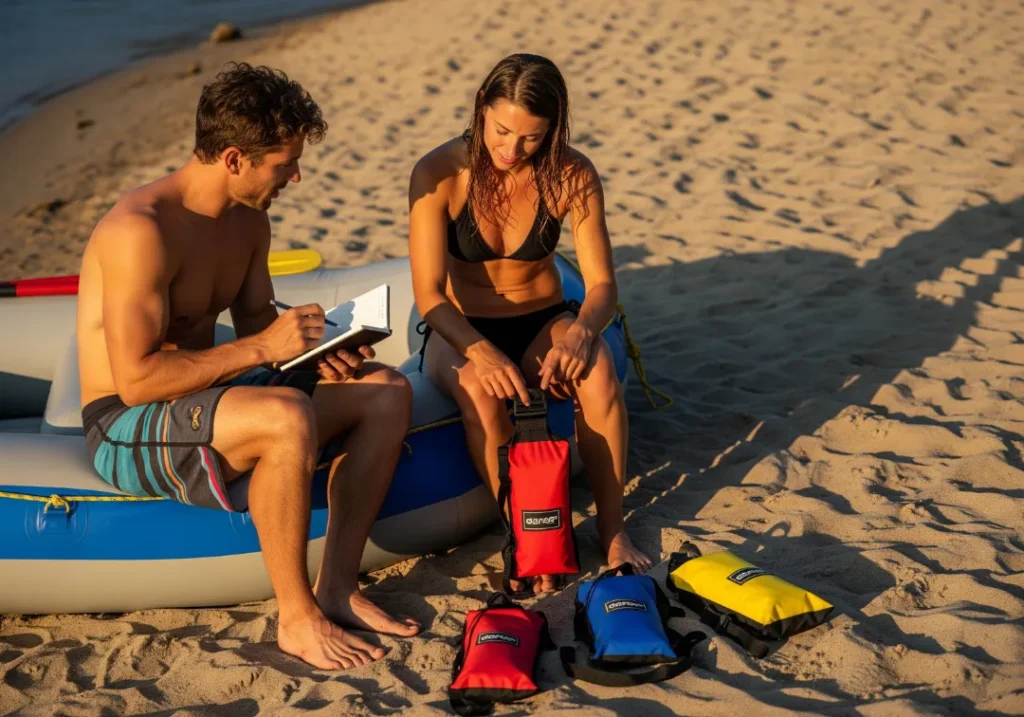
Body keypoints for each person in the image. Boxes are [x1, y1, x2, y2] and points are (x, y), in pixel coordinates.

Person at [76, 63, 420, 670]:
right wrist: (263, 351)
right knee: (286, 415)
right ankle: (296, 617)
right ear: (234, 158)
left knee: (386, 391)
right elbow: (135, 380)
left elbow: (258, 319)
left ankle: (337, 586)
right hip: (124, 423)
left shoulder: (249, 220)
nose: (295, 174)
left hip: (208, 394)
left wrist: (318, 347)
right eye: (284, 163)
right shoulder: (141, 233)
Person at [408, 53, 652, 594]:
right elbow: (428, 295)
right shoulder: (438, 174)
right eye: (501, 131)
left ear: (554, 129)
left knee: (599, 375)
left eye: (531, 138)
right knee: (479, 388)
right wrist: (479, 350)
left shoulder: (571, 173)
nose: (511, 150)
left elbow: (602, 286)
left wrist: (582, 334)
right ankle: (526, 538)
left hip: (542, 319)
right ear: (480, 109)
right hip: (463, 325)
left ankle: (613, 532)